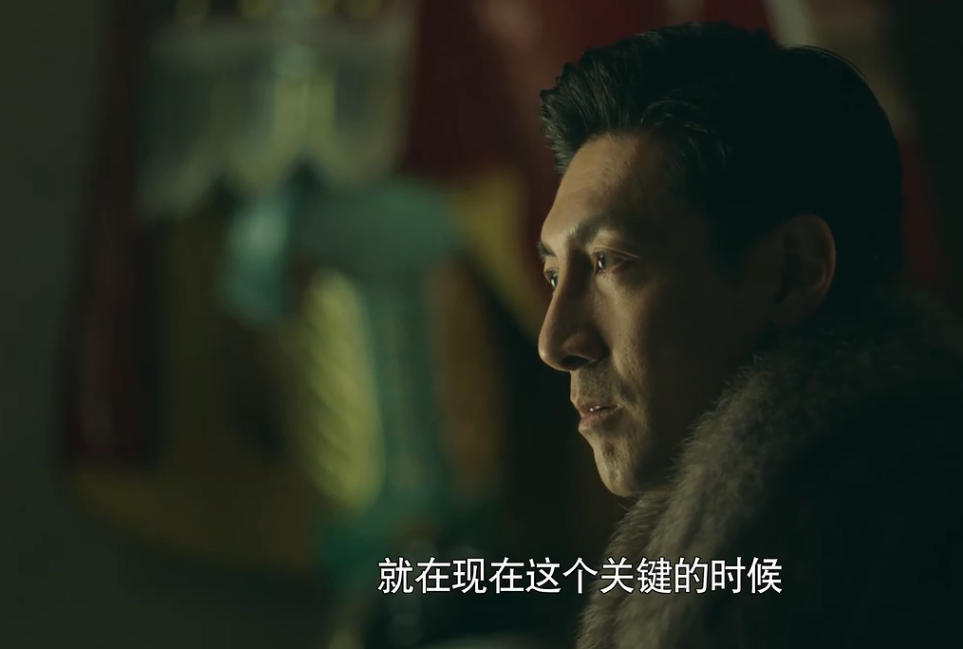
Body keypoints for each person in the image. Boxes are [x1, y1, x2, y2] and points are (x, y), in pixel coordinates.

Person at [536, 21, 963, 649]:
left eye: (608, 262)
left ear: (792, 272)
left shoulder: (921, 536)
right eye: (553, 276)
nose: (556, 342)